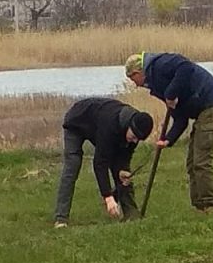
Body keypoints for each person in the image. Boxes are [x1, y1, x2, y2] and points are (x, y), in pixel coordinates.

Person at [124, 52, 213, 214]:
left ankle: (210, 205)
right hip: (201, 110)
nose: (135, 85)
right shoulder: (156, 85)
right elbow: (180, 118)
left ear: (138, 72)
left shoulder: (160, 64)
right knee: (192, 162)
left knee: (201, 159)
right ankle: (200, 206)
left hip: (212, 104)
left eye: (133, 79)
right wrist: (168, 139)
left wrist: (171, 93)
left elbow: (185, 66)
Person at [54, 97, 154, 228]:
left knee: (123, 175)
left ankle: (131, 215)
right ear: (128, 126)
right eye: (134, 137)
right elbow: (100, 163)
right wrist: (107, 196)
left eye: (138, 139)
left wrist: (122, 170)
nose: (135, 141)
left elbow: (123, 157)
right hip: (76, 122)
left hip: (98, 122)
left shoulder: (136, 128)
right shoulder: (109, 125)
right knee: (72, 166)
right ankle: (61, 218)